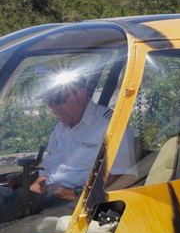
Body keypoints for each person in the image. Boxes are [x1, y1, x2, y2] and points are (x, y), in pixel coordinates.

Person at [0, 73, 135, 223]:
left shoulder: (111, 125)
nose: (53, 107)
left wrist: (74, 193)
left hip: (78, 203)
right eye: (48, 101)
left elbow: (122, 176)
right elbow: (45, 175)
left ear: (81, 94)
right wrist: (28, 195)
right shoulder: (60, 126)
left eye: (59, 99)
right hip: (49, 198)